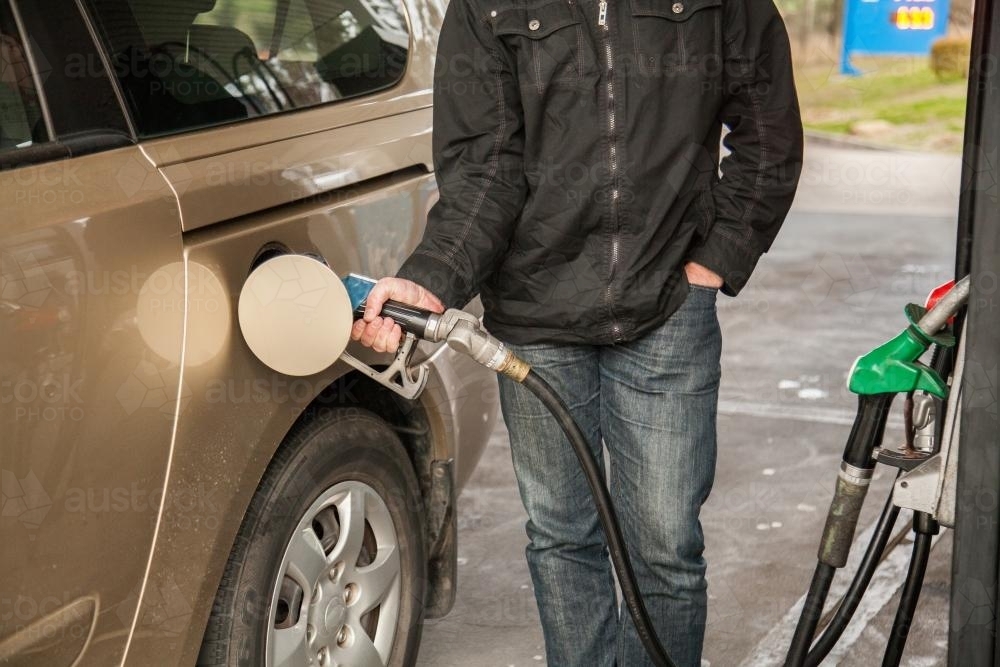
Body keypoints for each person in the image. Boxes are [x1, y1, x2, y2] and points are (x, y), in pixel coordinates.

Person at [353, 0, 803, 663]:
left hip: (667, 307)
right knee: (563, 537)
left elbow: (769, 131)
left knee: (665, 545)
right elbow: (483, 173)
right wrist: (432, 277)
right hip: (536, 317)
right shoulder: (485, 6)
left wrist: (716, 260)